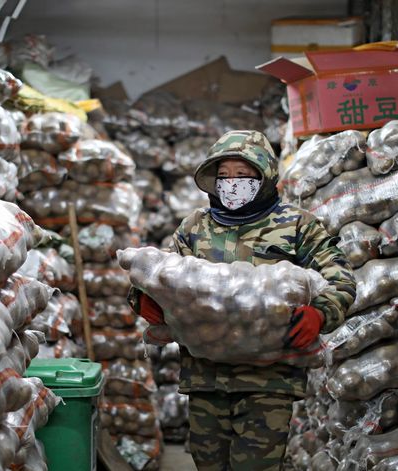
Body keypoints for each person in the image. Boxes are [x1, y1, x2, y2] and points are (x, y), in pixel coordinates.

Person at [129, 130, 355, 471]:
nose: (232, 184)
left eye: (243, 175)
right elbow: (159, 274)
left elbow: (340, 277)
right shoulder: (195, 227)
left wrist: (320, 314)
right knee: (208, 463)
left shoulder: (297, 226)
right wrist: (143, 298)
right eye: (224, 176)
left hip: (269, 381)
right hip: (206, 377)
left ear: (264, 177)